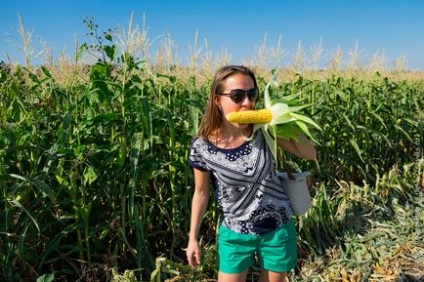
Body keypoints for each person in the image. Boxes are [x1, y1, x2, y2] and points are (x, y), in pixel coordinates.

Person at [186, 65, 317, 282]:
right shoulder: (202, 148)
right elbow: (200, 194)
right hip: (235, 232)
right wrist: (192, 238)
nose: (247, 103)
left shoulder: (264, 130)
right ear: (217, 100)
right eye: (237, 96)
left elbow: (310, 153)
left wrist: (283, 119)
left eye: (252, 94)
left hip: (277, 227)